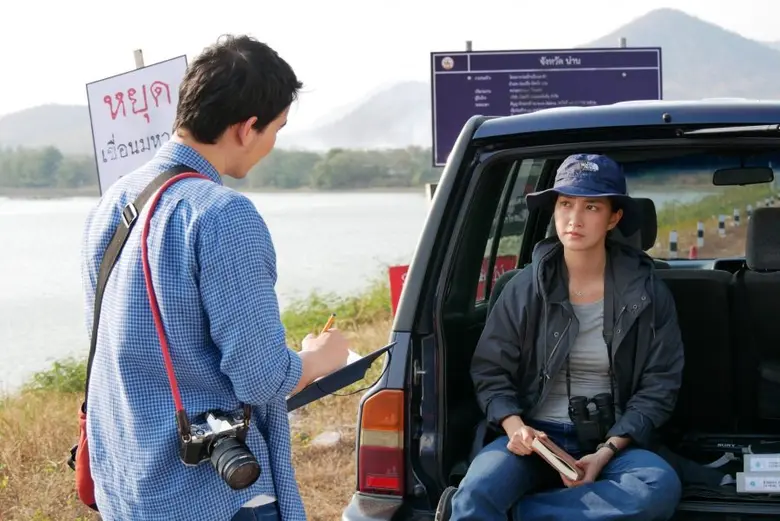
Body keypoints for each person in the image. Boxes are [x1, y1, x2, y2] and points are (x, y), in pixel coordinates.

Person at [80, 35, 349, 521]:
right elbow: (261, 378)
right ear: (247, 128)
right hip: (213, 494)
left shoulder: (113, 202)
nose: (272, 144)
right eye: (276, 129)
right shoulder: (223, 215)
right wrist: (319, 358)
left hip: (129, 486)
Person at [448, 153, 684, 520]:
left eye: (591, 207)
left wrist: (606, 451)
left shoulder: (648, 293)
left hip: (611, 439)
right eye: (565, 204)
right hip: (533, 440)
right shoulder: (522, 288)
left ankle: (518, 514)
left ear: (614, 218)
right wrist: (517, 428)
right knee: (475, 491)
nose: (575, 218)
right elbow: (490, 371)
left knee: (657, 487)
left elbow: (659, 386)